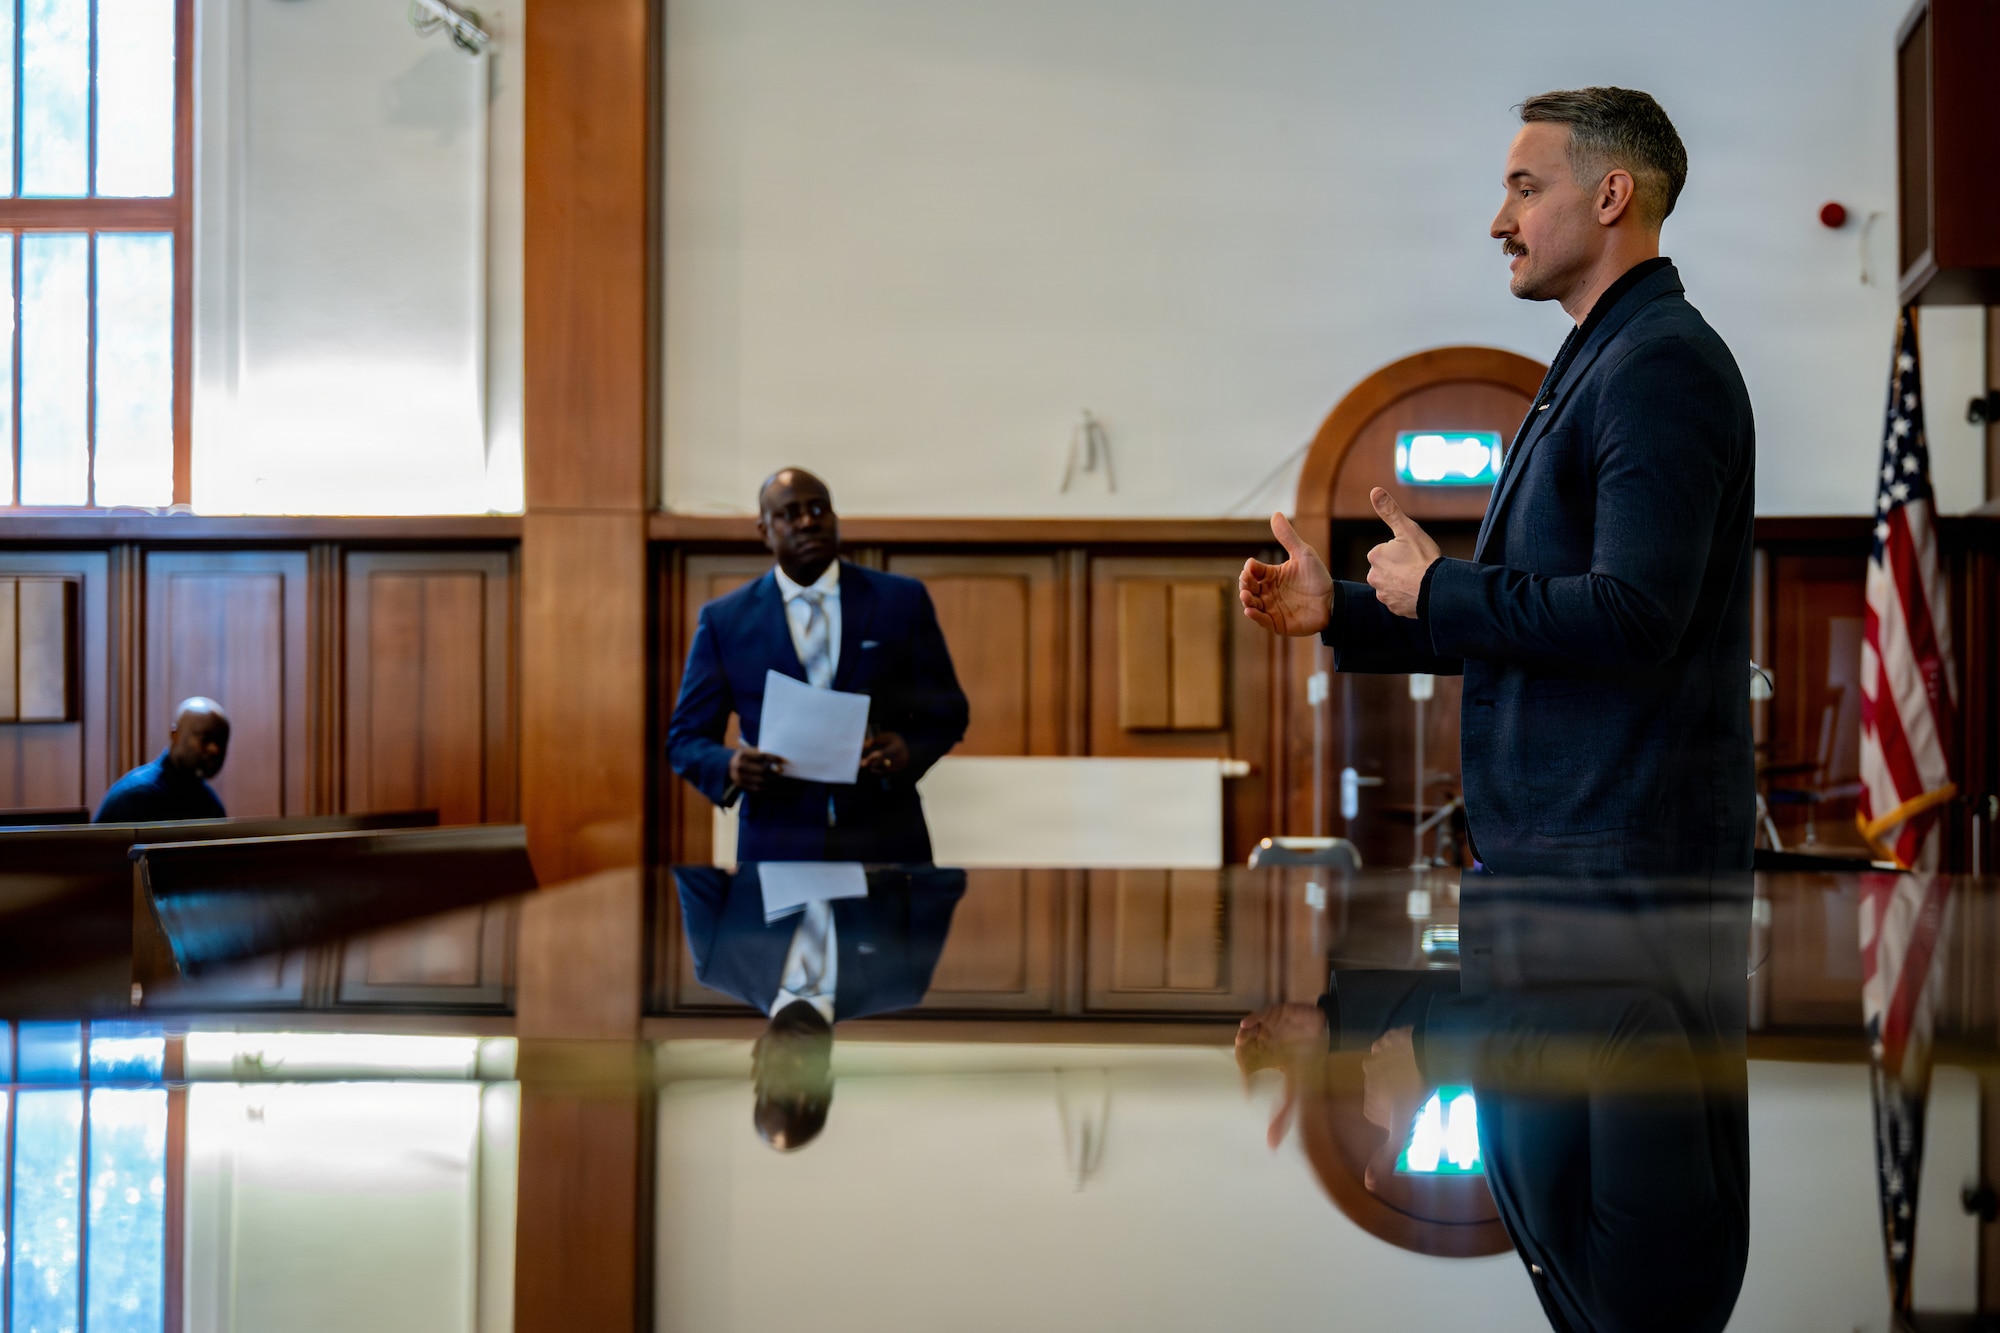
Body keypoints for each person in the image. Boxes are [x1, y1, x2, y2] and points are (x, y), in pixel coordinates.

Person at [1239, 87, 1755, 877]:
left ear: (1611, 196)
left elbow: (1633, 615)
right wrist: (1342, 608)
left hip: (1622, 873)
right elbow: (1532, 620)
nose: (1499, 222)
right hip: (1569, 860)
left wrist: (1440, 587)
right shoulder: (1600, 357)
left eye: (1526, 190)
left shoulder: (1659, 364)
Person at [1238, 876, 1751, 1332]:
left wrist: (1337, 1029)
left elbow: (1538, 1020)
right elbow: (1633, 1037)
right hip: (1610, 866)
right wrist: (1429, 1053)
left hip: (1548, 883)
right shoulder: (1649, 1314)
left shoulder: (1589, 1310)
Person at [667, 468, 970, 862]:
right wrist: (732, 766)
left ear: (834, 518)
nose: (808, 522)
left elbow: (948, 711)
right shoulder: (725, 621)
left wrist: (908, 749)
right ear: (764, 531)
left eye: (818, 509)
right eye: (790, 514)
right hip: (778, 841)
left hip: (884, 835)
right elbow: (686, 739)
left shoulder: (900, 601)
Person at [673, 864, 967, 1150]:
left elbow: (693, 858)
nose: (799, 1064)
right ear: (828, 1079)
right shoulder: (898, 984)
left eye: (783, 1082)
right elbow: (942, 882)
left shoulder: (720, 964)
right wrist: (883, 855)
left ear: (758, 1058)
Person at [93, 697, 232, 823]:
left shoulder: (208, 803)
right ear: (175, 735)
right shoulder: (138, 796)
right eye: (205, 738)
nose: (215, 749)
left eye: (221, 741)